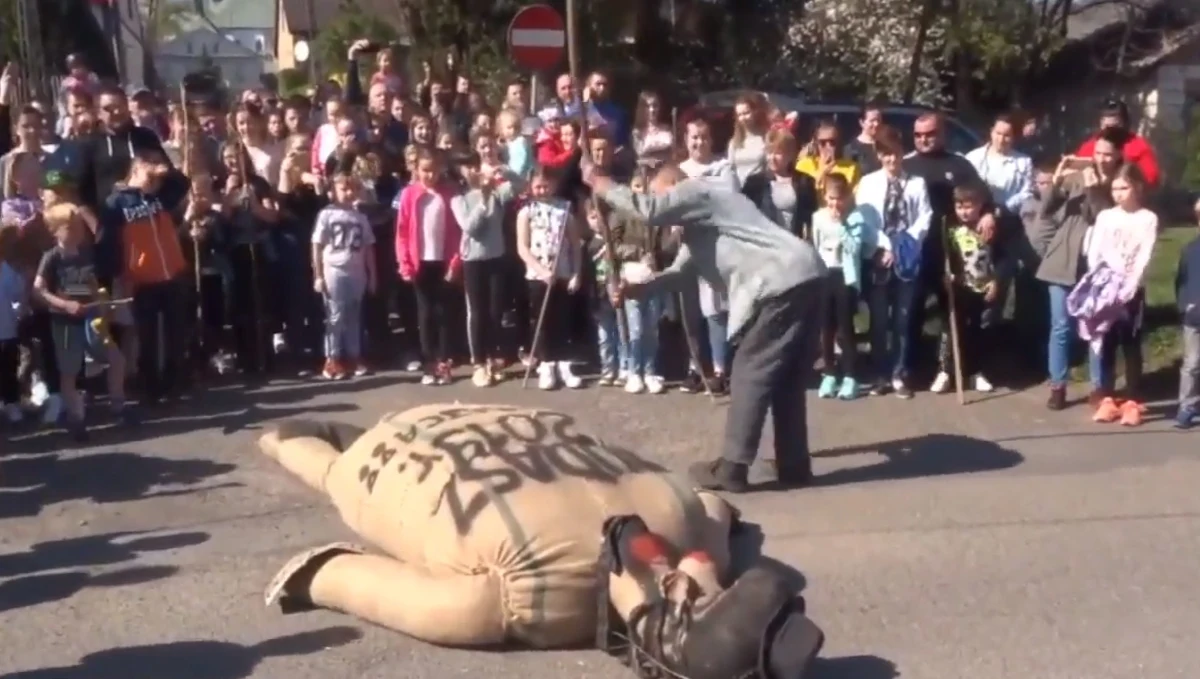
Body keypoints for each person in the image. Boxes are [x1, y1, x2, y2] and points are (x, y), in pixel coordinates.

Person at [584, 161, 827, 493]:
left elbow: (649, 210)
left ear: (674, 185)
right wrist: (640, 289)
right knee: (785, 379)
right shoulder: (700, 225)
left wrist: (602, 184)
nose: (667, 210)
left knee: (749, 372)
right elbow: (681, 273)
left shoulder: (698, 190)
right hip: (805, 274)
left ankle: (733, 467)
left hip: (780, 281)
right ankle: (794, 464)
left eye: (662, 194)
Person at [34, 203, 133, 440]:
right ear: (55, 230)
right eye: (70, 227)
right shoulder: (52, 258)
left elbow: (92, 284)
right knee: (69, 372)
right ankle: (76, 419)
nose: (77, 231)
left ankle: (118, 406)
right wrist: (64, 304)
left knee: (116, 359)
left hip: (91, 318)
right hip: (65, 322)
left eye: (79, 226)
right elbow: (38, 290)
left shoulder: (86, 253)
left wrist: (103, 302)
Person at [1076, 164, 1157, 427]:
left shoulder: (1147, 218)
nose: (1118, 193)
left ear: (1137, 187)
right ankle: (1108, 397)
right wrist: (1099, 280)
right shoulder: (1106, 217)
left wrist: (1132, 284)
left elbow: (1145, 253)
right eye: (1114, 188)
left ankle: (1132, 400)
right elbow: (1095, 251)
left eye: (1124, 187)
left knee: (1130, 342)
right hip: (1106, 288)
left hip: (1131, 289)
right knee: (1107, 341)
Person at [450, 152, 523, 387]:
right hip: (473, 260)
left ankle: (492, 359)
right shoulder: (459, 200)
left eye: (476, 166)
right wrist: (483, 200)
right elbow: (470, 227)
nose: (474, 171)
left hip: (496, 257)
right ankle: (479, 363)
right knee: (477, 312)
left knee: (495, 311)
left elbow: (520, 185)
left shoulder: (497, 194)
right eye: (468, 168)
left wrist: (504, 170)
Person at [932, 182, 1012, 395]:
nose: (964, 212)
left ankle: (975, 372)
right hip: (956, 288)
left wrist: (996, 280)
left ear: (979, 206)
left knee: (976, 331)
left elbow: (1002, 257)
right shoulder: (949, 228)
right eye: (959, 207)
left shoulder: (988, 228)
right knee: (951, 330)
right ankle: (945, 371)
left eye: (968, 207)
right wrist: (944, 274)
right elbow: (940, 254)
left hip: (981, 288)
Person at [395, 149, 462, 385]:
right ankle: (429, 363)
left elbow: (457, 232)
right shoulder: (409, 194)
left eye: (434, 170)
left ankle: (444, 362)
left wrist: (455, 263)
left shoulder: (449, 194)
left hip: (442, 261)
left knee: (443, 313)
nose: (430, 175)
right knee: (425, 314)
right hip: (419, 262)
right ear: (416, 170)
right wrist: (404, 263)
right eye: (425, 170)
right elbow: (402, 232)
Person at [517, 165, 582, 391]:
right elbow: (522, 247)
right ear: (530, 187)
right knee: (542, 321)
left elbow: (575, 245)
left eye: (546, 186)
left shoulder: (565, 209)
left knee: (562, 320)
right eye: (538, 186)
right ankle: (546, 363)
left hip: (562, 272)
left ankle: (563, 363)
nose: (542, 190)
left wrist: (576, 273)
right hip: (538, 275)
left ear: (553, 185)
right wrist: (541, 270)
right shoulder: (526, 212)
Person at [313, 172, 378, 380]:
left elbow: (368, 247)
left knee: (353, 315)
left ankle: (353, 355)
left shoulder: (360, 217)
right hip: (334, 269)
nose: (349, 193)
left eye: (353, 189)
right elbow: (317, 244)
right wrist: (318, 274)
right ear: (332, 191)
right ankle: (332, 358)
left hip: (356, 270)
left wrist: (372, 275)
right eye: (344, 189)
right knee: (335, 315)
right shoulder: (326, 214)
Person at [810, 174, 865, 401]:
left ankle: (850, 376)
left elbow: (854, 248)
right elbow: (816, 245)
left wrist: (842, 226)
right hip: (826, 274)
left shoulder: (855, 218)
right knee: (826, 327)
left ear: (847, 198)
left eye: (839, 199)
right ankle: (830, 372)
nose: (835, 204)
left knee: (845, 328)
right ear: (825, 197)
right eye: (831, 199)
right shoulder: (818, 217)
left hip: (846, 276)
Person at [1175, 199, 1200, 429]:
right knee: (1192, 363)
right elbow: (1181, 281)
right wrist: (1185, 305)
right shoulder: (1191, 250)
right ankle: (1187, 406)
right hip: (1195, 315)